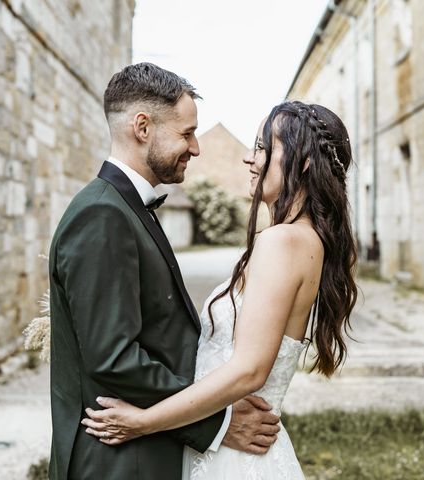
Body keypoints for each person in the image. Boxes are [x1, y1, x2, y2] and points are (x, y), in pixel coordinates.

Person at [82, 100, 359, 479]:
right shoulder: (304, 239)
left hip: (236, 462)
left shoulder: (284, 242)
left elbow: (249, 370)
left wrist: (144, 422)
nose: (249, 158)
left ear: (305, 161)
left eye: (262, 147)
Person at [47, 63, 280, 480]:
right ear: (143, 127)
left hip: (147, 452)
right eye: (186, 133)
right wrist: (218, 422)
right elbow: (114, 358)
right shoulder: (102, 215)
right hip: (119, 463)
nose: (196, 147)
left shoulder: (129, 209)